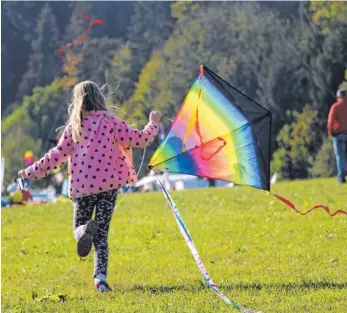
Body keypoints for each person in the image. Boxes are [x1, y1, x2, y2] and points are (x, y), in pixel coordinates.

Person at [18, 81, 161, 292]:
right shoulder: (110, 120)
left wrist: (28, 172)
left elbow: (54, 157)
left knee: (79, 228)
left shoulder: (74, 126)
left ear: (77, 101)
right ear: (99, 97)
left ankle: (84, 230)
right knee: (102, 235)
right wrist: (153, 123)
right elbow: (138, 139)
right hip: (109, 186)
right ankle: (100, 280)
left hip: (84, 188)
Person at [327, 89, 347, 183]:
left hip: (339, 135)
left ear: (338, 97)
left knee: (340, 156)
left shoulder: (335, 106)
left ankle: (341, 177)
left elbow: (330, 122)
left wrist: (331, 132)